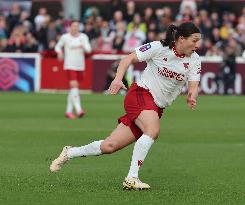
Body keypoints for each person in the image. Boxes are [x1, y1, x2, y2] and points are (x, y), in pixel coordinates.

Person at [50, 22, 202, 190]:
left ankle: (69, 153)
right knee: (152, 130)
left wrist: (191, 95)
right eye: (194, 40)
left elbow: (193, 85)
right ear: (181, 39)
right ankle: (132, 178)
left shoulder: (194, 60)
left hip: (155, 106)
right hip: (140, 94)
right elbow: (127, 59)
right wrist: (117, 79)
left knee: (109, 146)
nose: (197, 45)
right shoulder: (159, 47)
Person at [55, 21, 92, 119]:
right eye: (73, 26)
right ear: (70, 27)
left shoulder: (83, 37)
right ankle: (79, 109)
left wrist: (83, 46)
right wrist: (59, 52)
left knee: (74, 89)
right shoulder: (65, 37)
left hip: (80, 66)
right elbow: (58, 46)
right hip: (69, 65)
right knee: (74, 85)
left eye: (77, 26)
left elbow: (89, 49)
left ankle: (68, 111)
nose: (75, 28)